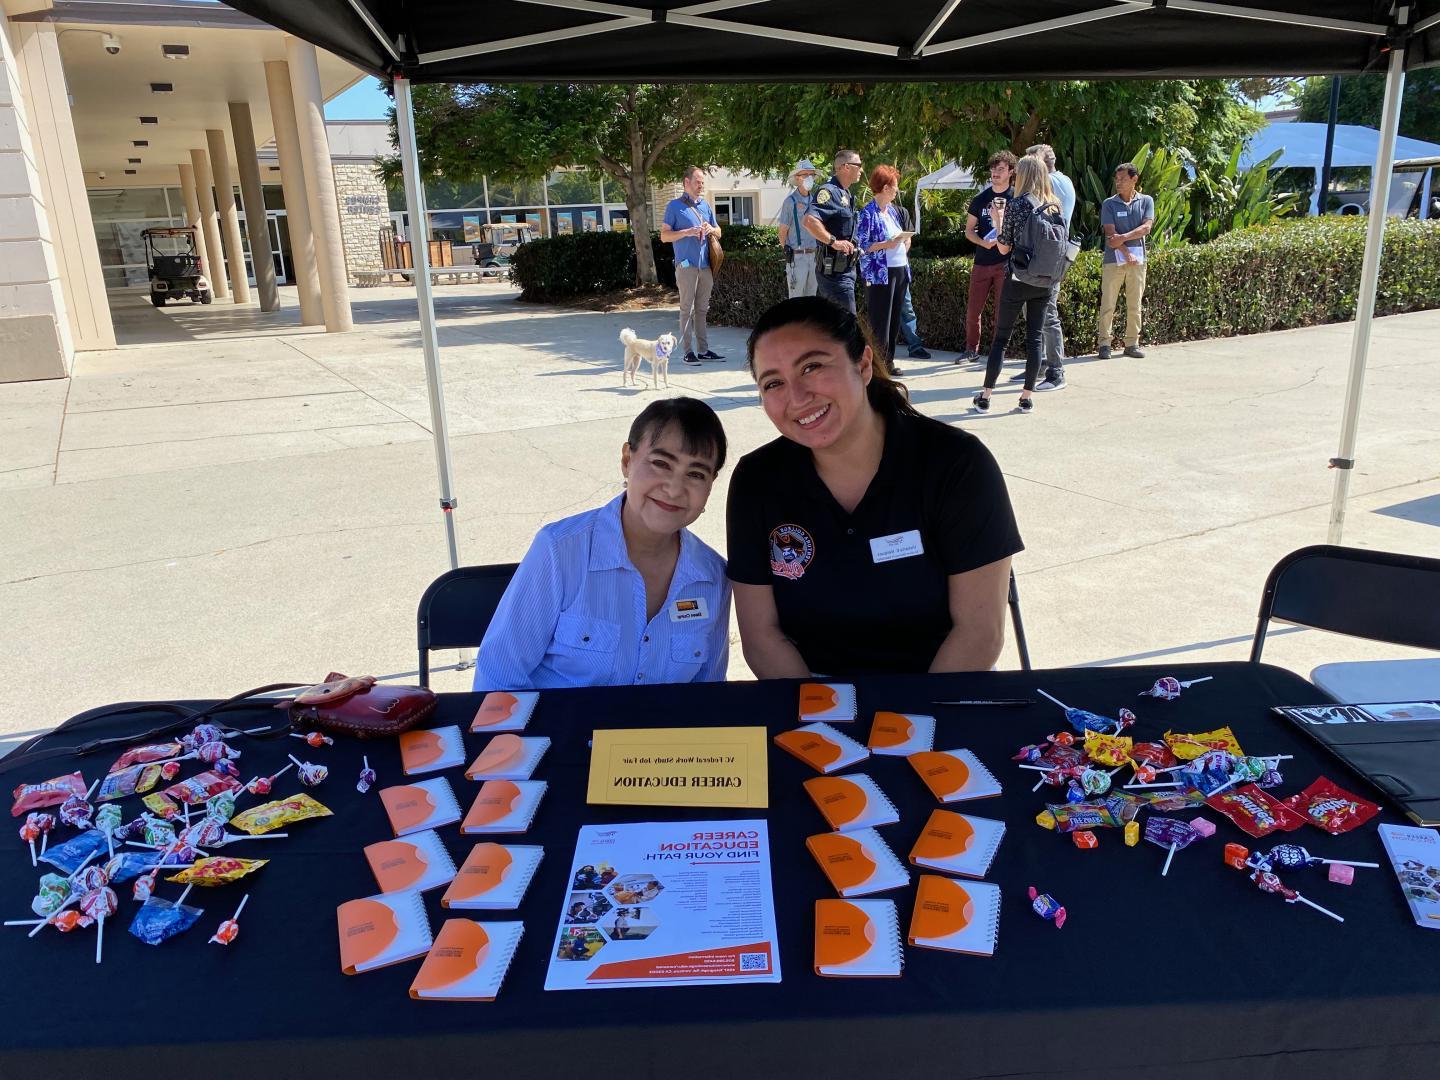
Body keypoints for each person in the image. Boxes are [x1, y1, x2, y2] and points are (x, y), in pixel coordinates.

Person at [727, 297, 1023, 677]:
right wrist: (821, 728)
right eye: (774, 383)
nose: (797, 398)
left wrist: (908, 730)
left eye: (812, 367)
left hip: (942, 690)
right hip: (811, 698)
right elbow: (761, 637)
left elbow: (980, 634)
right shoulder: (757, 480)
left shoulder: (957, 464)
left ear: (863, 365)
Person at [473, 397, 731, 690]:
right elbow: (497, 678)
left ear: (710, 484)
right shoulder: (560, 550)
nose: (673, 489)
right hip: (558, 734)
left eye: (696, 474)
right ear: (627, 460)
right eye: (660, 463)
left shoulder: (713, 577)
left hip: (660, 736)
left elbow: (708, 694)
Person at [972, 155, 1065, 415]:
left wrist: (999, 217)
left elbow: (1004, 247)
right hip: (1045, 281)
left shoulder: (1017, 204)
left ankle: (986, 396)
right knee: (1034, 339)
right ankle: (1026, 398)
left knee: (1001, 339)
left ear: (1022, 175)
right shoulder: (1054, 205)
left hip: (1019, 278)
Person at [1008, 143, 1074, 392]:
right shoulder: (1062, 182)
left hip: (1044, 262)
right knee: (1037, 315)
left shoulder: (1051, 188)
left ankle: (1056, 371)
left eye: (1029, 162)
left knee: (1047, 316)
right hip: (1047, 260)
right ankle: (1041, 366)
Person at [956, 150, 1017, 364]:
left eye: (1000, 169)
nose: (995, 173)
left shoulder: (1016, 198)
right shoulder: (980, 199)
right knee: (973, 311)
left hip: (1005, 262)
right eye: (993, 169)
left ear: (1011, 171)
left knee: (1001, 312)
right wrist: (982, 242)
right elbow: (968, 230)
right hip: (982, 261)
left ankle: (997, 351)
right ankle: (971, 349)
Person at [660, 167, 724, 365]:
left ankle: (703, 350)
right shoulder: (674, 206)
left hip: (705, 266)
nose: (701, 185)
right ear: (686, 182)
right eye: (697, 181)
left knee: (702, 310)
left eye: (703, 182)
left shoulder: (705, 206)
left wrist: (711, 229)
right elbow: (664, 236)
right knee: (686, 309)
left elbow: (719, 232)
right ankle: (688, 352)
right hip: (686, 266)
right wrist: (686, 232)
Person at [855, 164, 912, 378]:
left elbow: (901, 238)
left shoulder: (893, 212)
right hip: (880, 273)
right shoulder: (868, 213)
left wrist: (903, 243)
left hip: (898, 270)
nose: (897, 191)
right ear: (886, 188)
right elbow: (862, 244)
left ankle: (888, 361)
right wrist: (885, 244)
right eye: (895, 186)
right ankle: (877, 366)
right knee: (880, 321)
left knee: (895, 319)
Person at [1097, 162, 1155, 360]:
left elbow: (1146, 228)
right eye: (1117, 179)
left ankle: (1132, 343)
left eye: (1122, 179)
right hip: (1113, 261)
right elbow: (1110, 233)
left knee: (1134, 304)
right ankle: (1104, 344)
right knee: (1108, 304)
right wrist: (1124, 249)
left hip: (1138, 262)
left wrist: (1123, 238)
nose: (1118, 183)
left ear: (1134, 179)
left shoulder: (1146, 201)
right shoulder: (1108, 203)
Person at [803, 150, 864, 313]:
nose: (861, 170)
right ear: (845, 167)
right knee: (847, 328)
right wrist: (834, 242)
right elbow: (809, 221)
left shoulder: (846, 193)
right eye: (858, 165)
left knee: (831, 329)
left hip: (845, 272)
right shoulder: (829, 191)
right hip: (835, 276)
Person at [777, 159, 819, 298]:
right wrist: (788, 251)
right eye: (805, 174)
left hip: (814, 257)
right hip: (797, 257)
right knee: (796, 302)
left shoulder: (816, 201)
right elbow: (782, 231)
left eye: (811, 175)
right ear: (797, 178)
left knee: (811, 301)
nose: (809, 178)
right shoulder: (790, 202)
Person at [894, 202, 931, 360]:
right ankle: (881, 350)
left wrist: (900, 252)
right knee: (883, 313)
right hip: (881, 272)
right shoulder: (872, 211)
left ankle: (915, 346)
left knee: (906, 309)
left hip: (901, 268)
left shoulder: (901, 212)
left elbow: (908, 238)